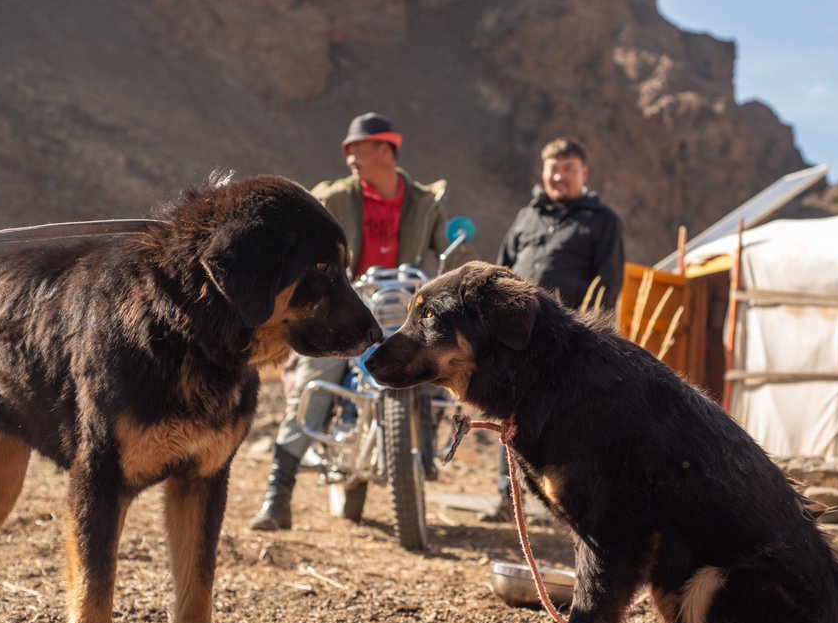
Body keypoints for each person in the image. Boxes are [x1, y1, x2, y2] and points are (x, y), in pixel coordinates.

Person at [251, 112, 475, 530]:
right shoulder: (333, 197)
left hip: (403, 307)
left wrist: (466, 274)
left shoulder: (424, 202)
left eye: (359, 148)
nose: (349, 156)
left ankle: (425, 446)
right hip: (344, 308)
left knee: (441, 369)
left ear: (386, 149)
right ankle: (277, 496)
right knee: (316, 384)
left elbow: (449, 249)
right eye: (347, 149)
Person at [487, 137, 625, 521]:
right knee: (508, 413)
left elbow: (608, 283)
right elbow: (501, 270)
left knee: (562, 420)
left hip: (567, 341)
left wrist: (589, 340)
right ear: (543, 170)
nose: (558, 176)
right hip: (515, 338)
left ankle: (560, 503)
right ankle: (507, 497)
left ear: (583, 173)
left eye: (568, 168)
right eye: (552, 168)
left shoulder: (601, 220)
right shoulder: (526, 217)